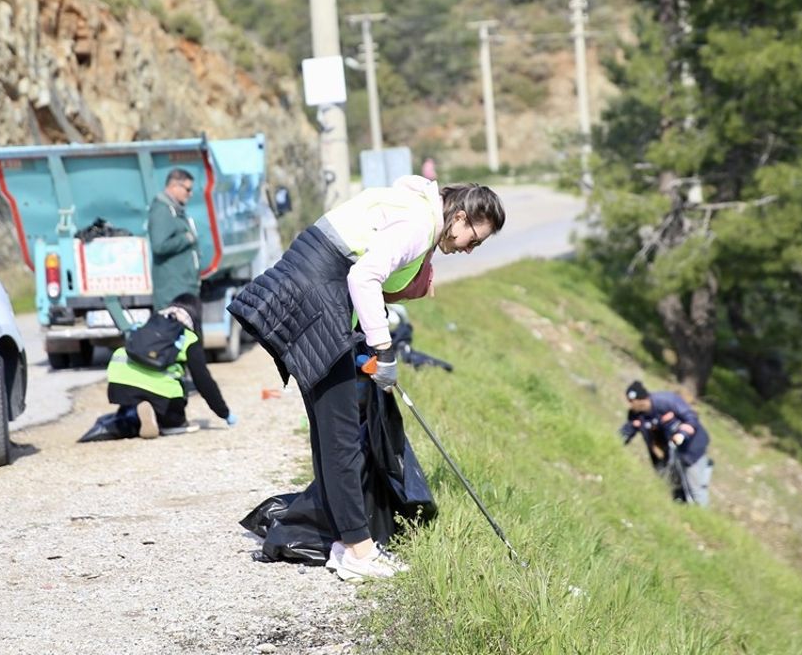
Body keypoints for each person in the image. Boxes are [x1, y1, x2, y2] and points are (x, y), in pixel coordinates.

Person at [228, 176, 505, 581]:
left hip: (310, 290)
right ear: (459, 216)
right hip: (316, 295)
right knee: (340, 434)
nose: (468, 249)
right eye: (473, 239)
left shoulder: (416, 208)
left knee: (330, 431)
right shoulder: (419, 223)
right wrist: (384, 350)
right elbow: (363, 278)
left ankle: (345, 545)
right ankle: (358, 552)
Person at [147, 169, 237, 437]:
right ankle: (172, 417)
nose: (189, 194)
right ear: (173, 186)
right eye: (186, 189)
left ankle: (175, 414)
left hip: (184, 293)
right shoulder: (162, 211)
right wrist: (187, 238)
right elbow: (159, 245)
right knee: (182, 358)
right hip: (173, 299)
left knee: (186, 358)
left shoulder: (175, 209)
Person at [105, 306, 202, 438]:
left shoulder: (144, 325)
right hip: (161, 392)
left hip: (119, 385)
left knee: (131, 413)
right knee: (174, 419)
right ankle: (165, 421)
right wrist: (224, 413)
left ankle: (135, 412)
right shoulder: (188, 337)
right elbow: (203, 380)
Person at [620, 380, 713, 506]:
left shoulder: (667, 401)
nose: (630, 405)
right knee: (674, 488)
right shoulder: (637, 415)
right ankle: (682, 512)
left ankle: (702, 515)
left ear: (641, 399)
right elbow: (628, 430)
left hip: (692, 448)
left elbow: (691, 419)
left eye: (632, 401)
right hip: (669, 454)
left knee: (695, 488)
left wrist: (682, 435)